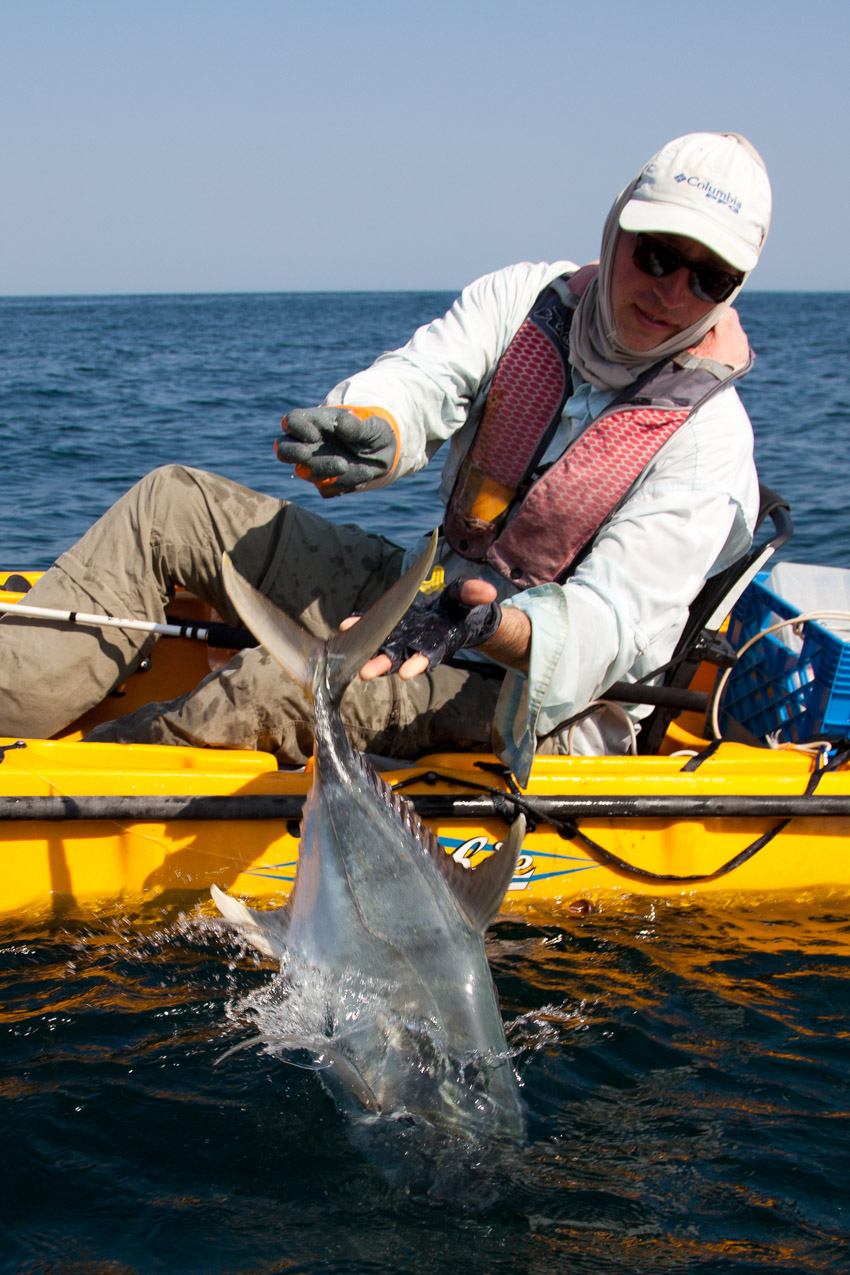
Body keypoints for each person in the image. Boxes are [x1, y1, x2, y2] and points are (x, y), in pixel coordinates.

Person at [0, 132, 771, 784]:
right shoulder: (528, 300)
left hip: (538, 697)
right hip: (422, 595)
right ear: (617, 228)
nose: (673, 289)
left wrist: (491, 623)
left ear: (733, 290)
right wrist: (375, 424)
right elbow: (425, 379)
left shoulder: (709, 446)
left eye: (710, 278)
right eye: (659, 253)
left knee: (278, 688)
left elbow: (613, 627)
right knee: (173, 504)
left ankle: (48, 802)